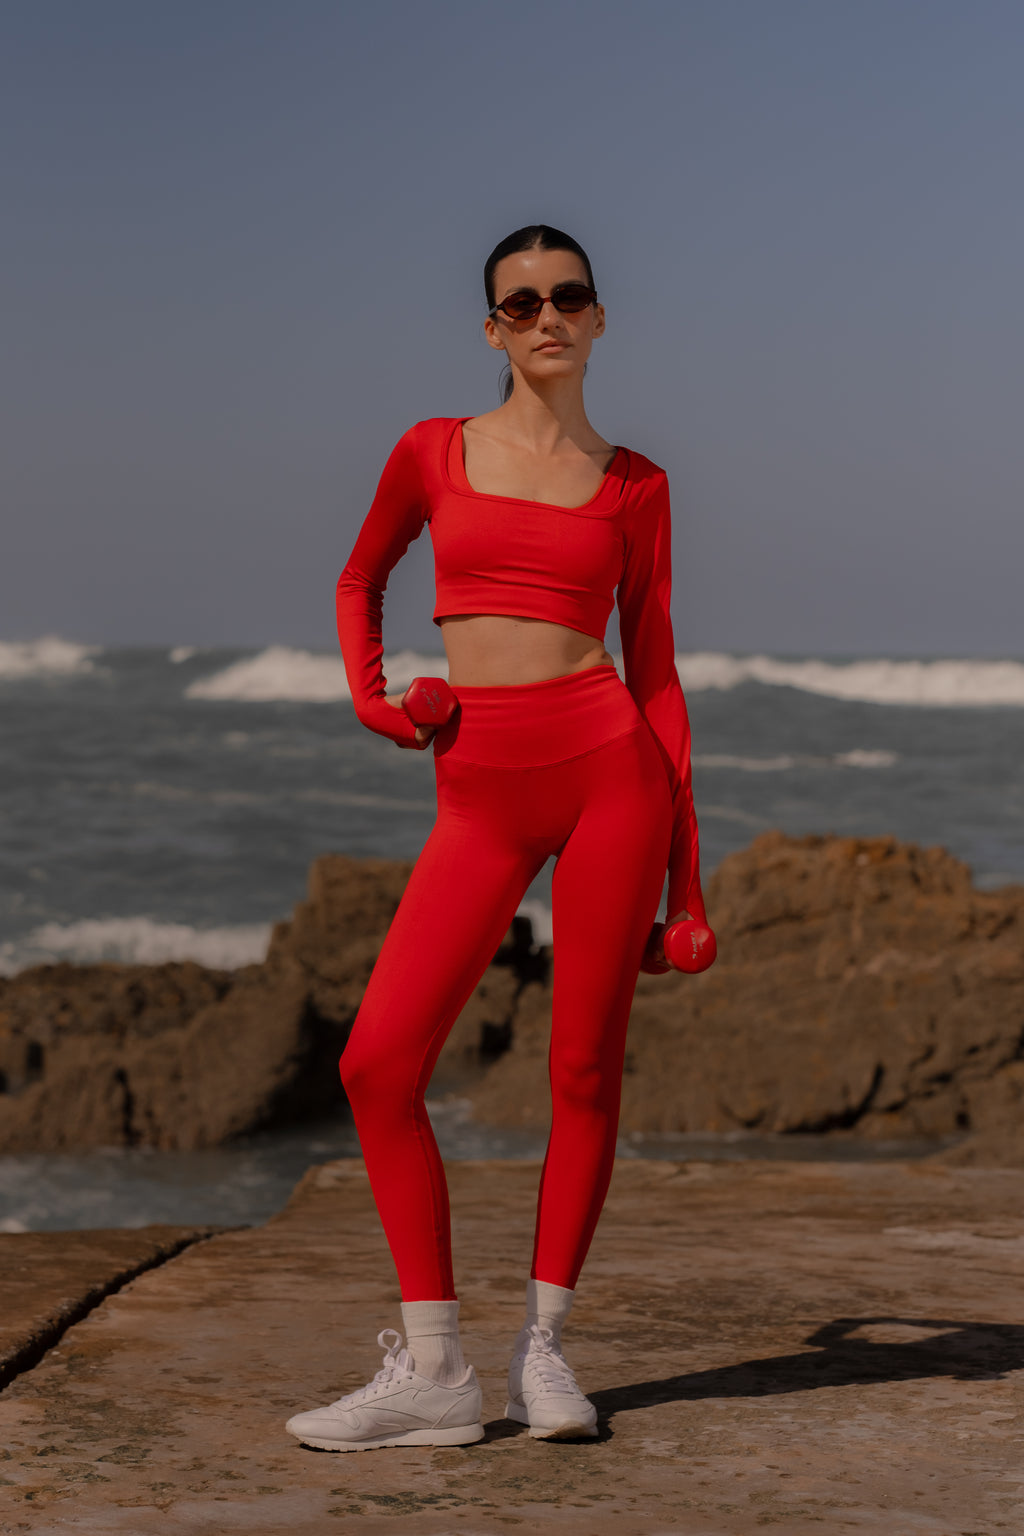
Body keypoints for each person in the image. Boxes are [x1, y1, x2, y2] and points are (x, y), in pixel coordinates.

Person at [285, 224, 709, 1453]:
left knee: (581, 1071)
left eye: (568, 297)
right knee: (376, 1064)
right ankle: (432, 1371)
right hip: (476, 783)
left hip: (609, 776)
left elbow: (661, 677)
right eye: (520, 304)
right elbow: (358, 579)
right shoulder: (433, 451)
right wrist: (372, 700)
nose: (546, 319)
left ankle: (545, 1353)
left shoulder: (637, 483)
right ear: (492, 330)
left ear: (598, 318)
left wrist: (687, 881)